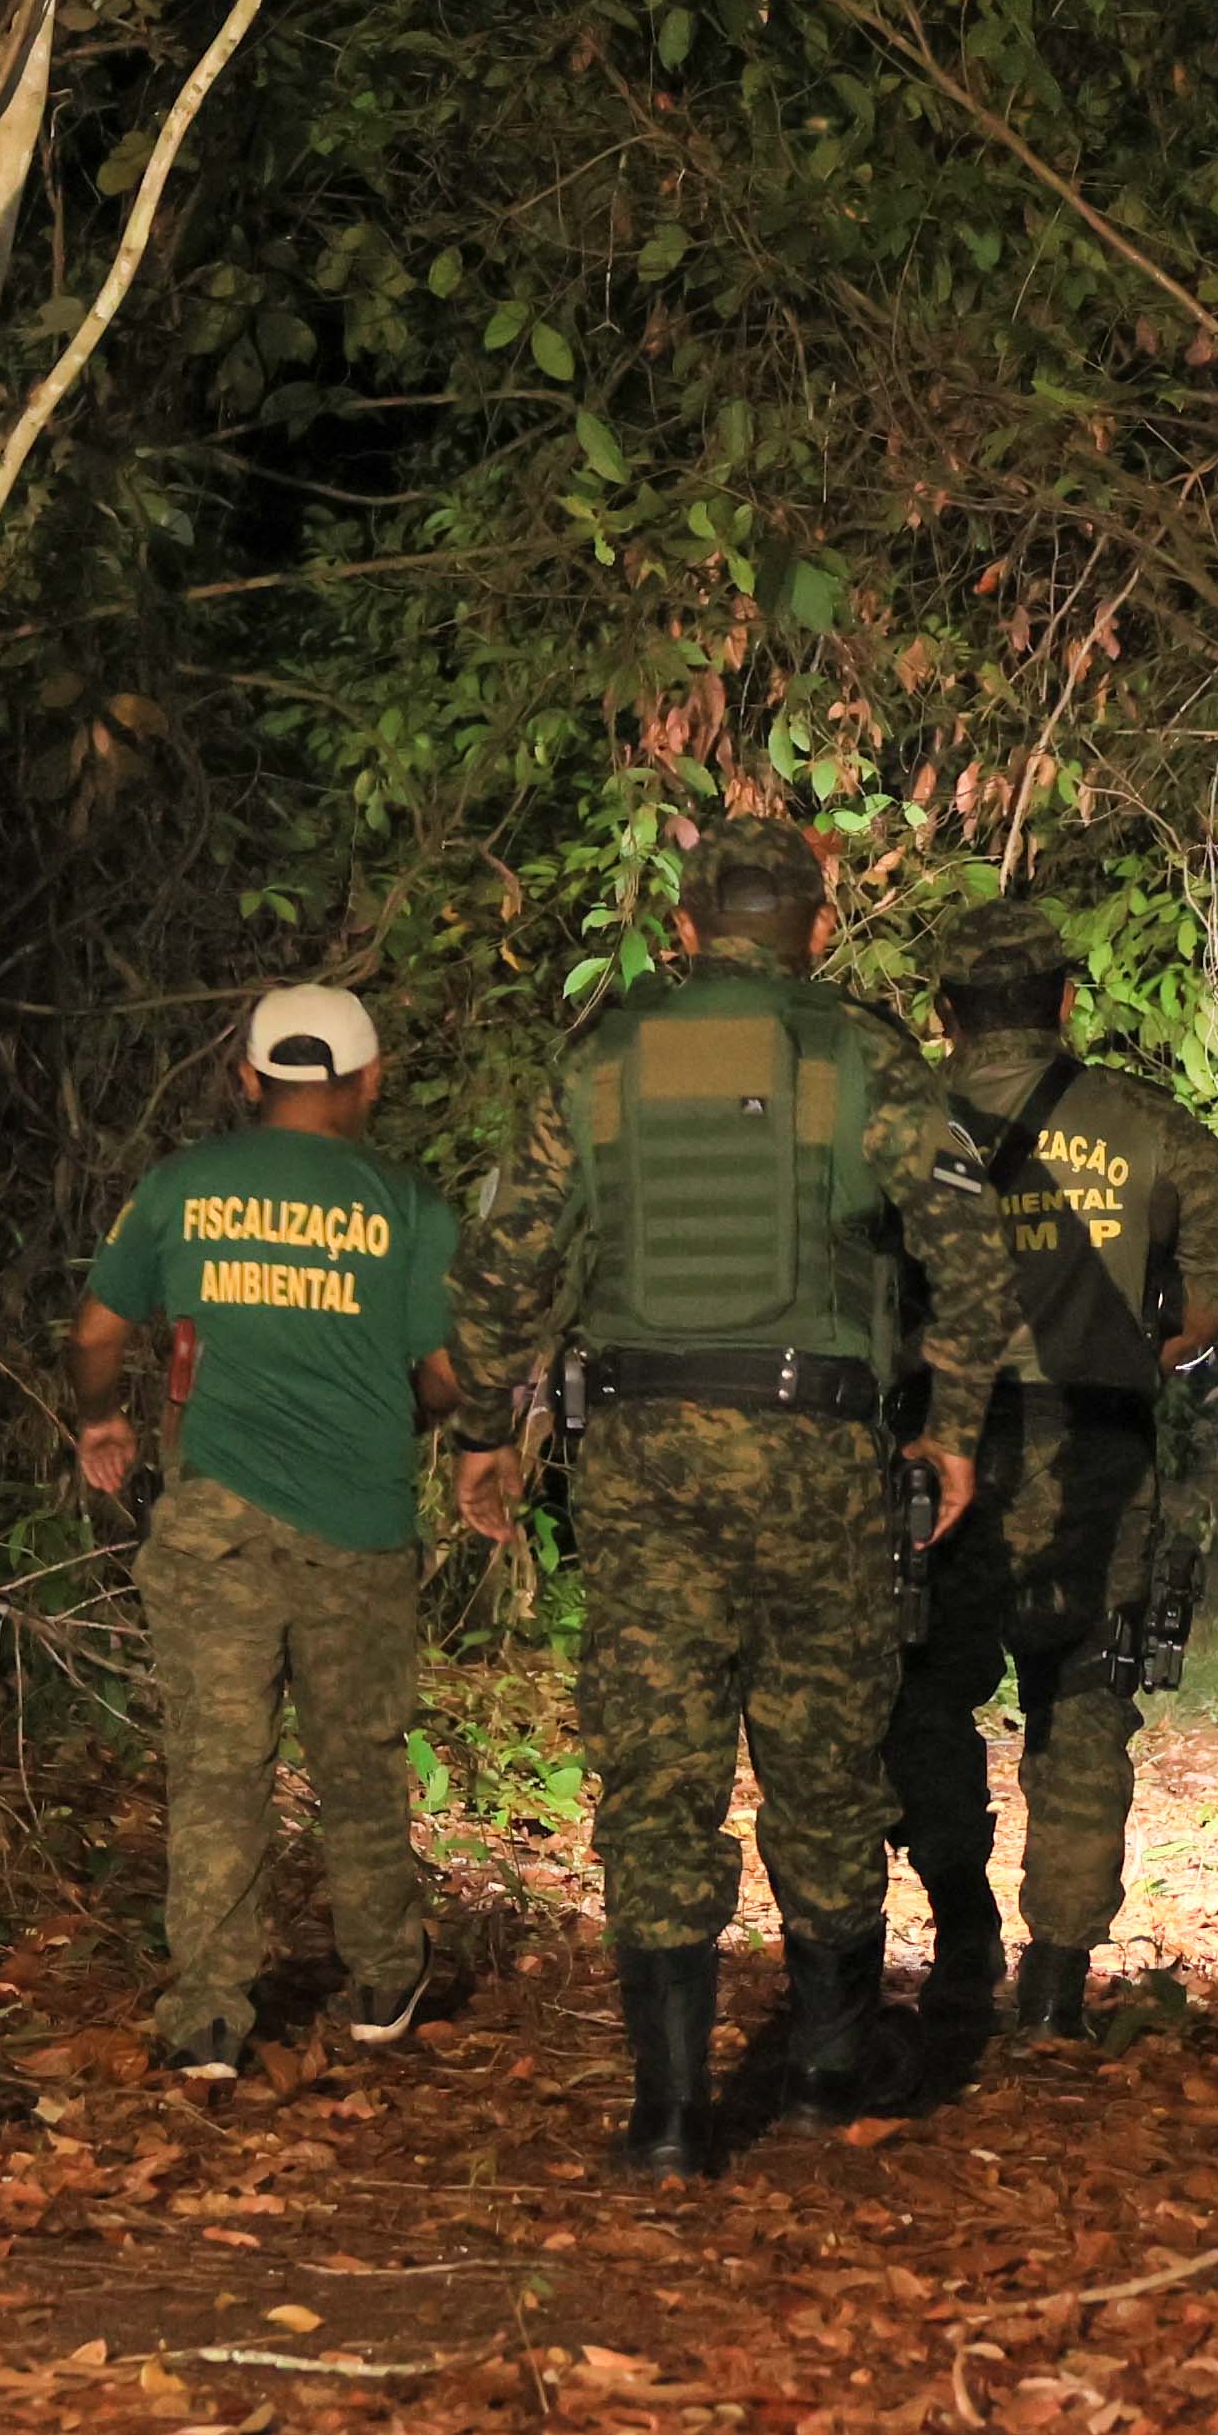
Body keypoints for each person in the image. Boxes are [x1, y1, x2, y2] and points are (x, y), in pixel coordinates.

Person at [458, 819, 1000, 2176]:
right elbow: (969, 1251)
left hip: (641, 1453)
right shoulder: (861, 1055)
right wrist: (954, 1429)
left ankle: (671, 2111)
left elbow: (510, 1258)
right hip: (815, 1446)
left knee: (659, 1766)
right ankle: (822, 2070)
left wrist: (485, 1428)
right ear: (815, 928)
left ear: (686, 927)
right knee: (823, 1753)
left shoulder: (603, 1061)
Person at [888, 900, 1218, 2061]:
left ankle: (959, 1937)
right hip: (1094, 1445)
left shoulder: (900, 1126)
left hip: (926, 1454)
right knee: (1082, 1700)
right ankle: (1053, 1980)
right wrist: (1148, 1348)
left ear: (942, 1014)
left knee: (916, 1694)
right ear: (1063, 1001)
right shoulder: (1141, 1123)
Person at [71, 984, 472, 2078]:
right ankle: (384, 1977)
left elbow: (100, 1329)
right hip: (358, 1522)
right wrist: (441, 1414)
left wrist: (100, 1416)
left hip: (212, 1525)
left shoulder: (180, 1186)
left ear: (246, 1081)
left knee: (216, 1765)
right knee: (359, 1759)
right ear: (368, 1080)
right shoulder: (405, 1204)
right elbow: (442, 1372)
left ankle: (208, 2014)